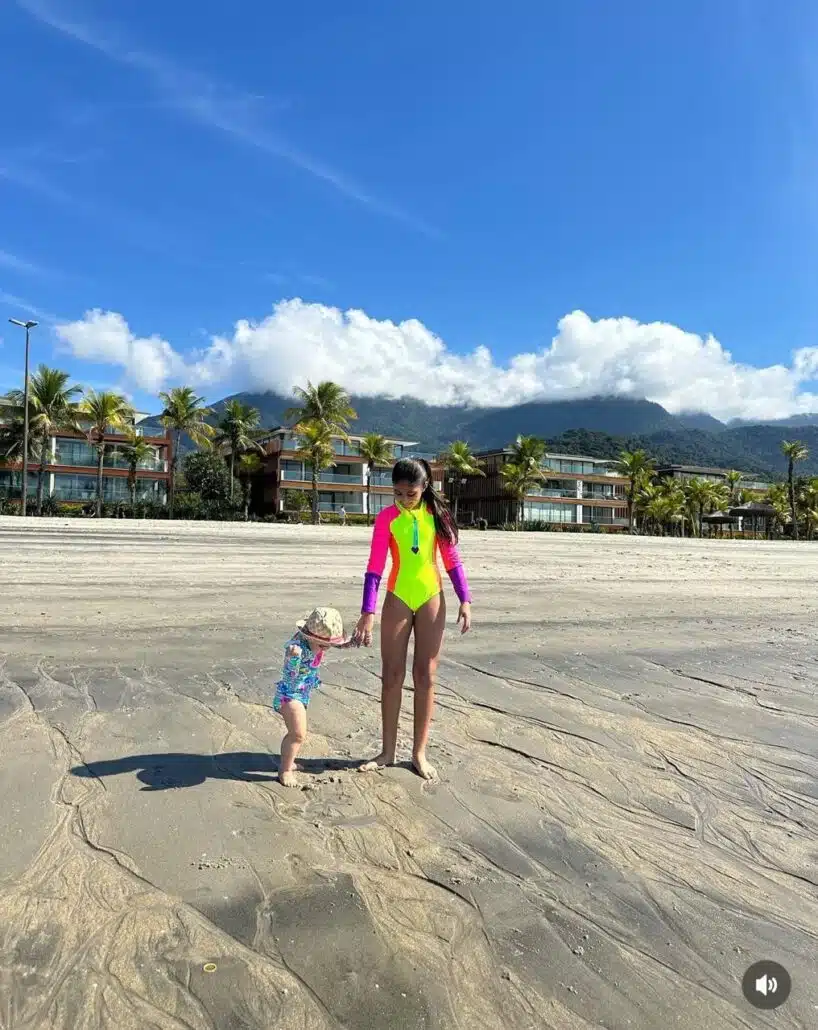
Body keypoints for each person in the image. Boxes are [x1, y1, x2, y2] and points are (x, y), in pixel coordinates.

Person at [352, 458, 472, 779]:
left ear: (424, 488)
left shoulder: (438, 517)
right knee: (391, 674)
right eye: (398, 493)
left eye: (411, 494)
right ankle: (387, 751)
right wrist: (368, 612)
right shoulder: (387, 519)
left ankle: (419, 753)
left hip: (431, 596)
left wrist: (465, 600)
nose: (404, 500)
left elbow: (452, 561)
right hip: (398, 597)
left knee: (425, 676)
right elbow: (375, 567)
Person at [274, 606, 351, 787]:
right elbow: (289, 676)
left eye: (329, 645)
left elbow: (332, 643)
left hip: (301, 694)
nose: (326, 649)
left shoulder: (318, 643)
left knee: (296, 734)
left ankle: (289, 761)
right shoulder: (297, 648)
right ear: (310, 638)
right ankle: (284, 770)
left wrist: (349, 642)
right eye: (323, 645)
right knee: (297, 734)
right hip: (289, 696)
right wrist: (293, 658)